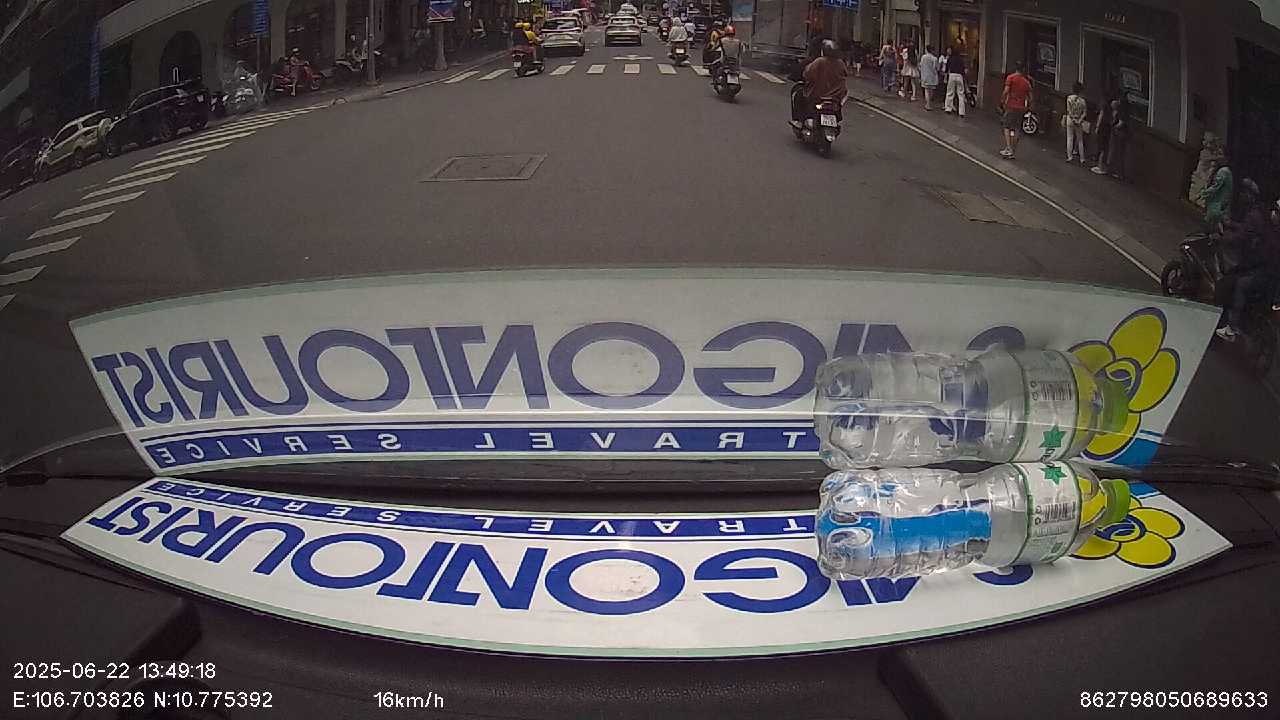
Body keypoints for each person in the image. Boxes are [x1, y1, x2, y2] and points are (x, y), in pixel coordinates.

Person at [1217, 186, 1280, 341]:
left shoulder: (1272, 231)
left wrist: (1226, 239)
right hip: (1267, 275)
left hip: (1265, 275)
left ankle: (1232, 327)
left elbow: (1248, 239)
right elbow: (1248, 232)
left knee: (1239, 284)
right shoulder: (1268, 225)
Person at [793, 39, 847, 125]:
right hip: (836, 97)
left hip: (818, 96)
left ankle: (799, 121)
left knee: (798, 95)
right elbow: (845, 75)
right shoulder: (841, 63)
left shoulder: (820, 61)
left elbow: (807, 74)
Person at [999, 61, 1032, 159]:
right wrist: (1028, 106)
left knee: (1006, 126)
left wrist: (1002, 100)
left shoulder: (1011, 78)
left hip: (1011, 106)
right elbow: (1031, 97)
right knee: (1017, 129)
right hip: (1021, 108)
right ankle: (1013, 151)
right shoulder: (1026, 82)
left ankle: (1009, 148)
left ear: (1016, 68)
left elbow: (1006, 91)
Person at [1200, 158, 1235, 234]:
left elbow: (1216, 186)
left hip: (1217, 204)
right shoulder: (1227, 171)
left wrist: (1204, 193)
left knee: (1211, 226)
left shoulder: (1223, 171)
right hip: (1221, 204)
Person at [1105, 95, 1132, 180]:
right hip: (1123, 134)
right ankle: (1118, 172)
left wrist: (1114, 127)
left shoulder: (1121, 111)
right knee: (1119, 153)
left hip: (1118, 134)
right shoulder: (1125, 112)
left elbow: (1120, 123)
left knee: (1116, 151)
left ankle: (1116, 171)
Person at [1064, 81, 1088, 163]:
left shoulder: (1069, 98)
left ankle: (1069, 156)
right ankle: (1082, 158)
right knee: (1080, 140)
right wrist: (1079, 120)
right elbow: (1084, 113)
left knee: (1069, 138)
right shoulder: (1083, 101)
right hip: (1079, 120)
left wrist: (1073, 118)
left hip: (1070, 119)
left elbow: (1068, 110)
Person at [1090, 97, 1113, 174]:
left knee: (1101, 147)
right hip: (1108, 128)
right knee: (1105, 147)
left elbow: (1100, 116)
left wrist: (1097, 127)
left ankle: (1100, 167)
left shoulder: (1104, 109)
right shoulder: (1112, 111)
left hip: (1103, 128)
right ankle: (1102, 167)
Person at [943, 47, 966, 117]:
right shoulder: (961, 59)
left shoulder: (950, 59)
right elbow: (963, 69)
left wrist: (946, 76)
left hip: (952, 75)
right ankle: (961, 112)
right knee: (961, 94)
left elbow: (946, 69)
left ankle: (948, 108)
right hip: (959, 76)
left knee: (950, 92)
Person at [918, 45, 939, 110]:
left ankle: (928, 104)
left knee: (926, 90)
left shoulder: (923, 57)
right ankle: (929, 103)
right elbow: (936, 68)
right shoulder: (934, 58)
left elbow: (920, 66)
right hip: (932, 76)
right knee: (931, 90)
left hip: (925, 76)